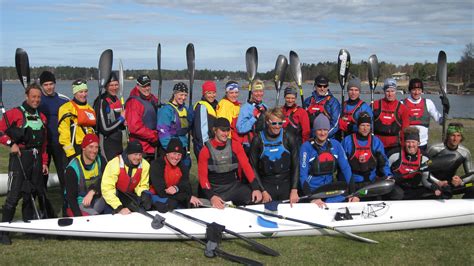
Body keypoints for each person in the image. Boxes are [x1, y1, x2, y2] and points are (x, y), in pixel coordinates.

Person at [0, 84, 50, 245]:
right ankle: (4, 232)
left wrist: (43, 162)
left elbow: (44, 144)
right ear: (27, 96)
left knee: (31, 194)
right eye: (33, 96)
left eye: (38, 97)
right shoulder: (14, 113)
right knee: (14, 195)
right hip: (20, 157)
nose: (36, 100)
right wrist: (10, 143)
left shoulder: (42, 117)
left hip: (35, 159)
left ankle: (30, 229)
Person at [198, 118, 262, 209]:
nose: (226, 134)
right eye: (222, 130)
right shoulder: (205, 150)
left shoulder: (235, 145)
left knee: (255, 198)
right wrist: (212, 196)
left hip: (233, 187)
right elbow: (203, 177)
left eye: (228, 130)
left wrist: (256, 188)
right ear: (214, 130)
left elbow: (247, 167)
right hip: (215, 189)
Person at [299, 114, 352, 208]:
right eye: (319, 130)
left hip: (329, 190)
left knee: (345, 197)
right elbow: (302, 174)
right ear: (315, 131)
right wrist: (312, 197)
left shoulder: (336, 145)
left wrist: (353, 193)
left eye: (325, 130)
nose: (322, 133)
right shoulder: (306, 147)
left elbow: (346, 169)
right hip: (312, 190)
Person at [249, 107, 300, 204]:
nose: (277, 126)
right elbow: (253, 167)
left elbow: (296, 165)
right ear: (268, 122)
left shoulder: (289, 137)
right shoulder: (257, 140)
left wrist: (294, 189)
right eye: (274, 123)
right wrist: (262, 190)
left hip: (285, 183)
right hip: (267, 184)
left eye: (280, 123)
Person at [37, 71, 69, 214]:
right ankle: (44, 210)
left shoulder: (64, 100)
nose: (49, 87)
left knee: (65, 178)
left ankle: (67, 207)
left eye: (51, 84)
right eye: (46, 85)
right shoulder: (37, 100)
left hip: (60, 145)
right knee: (41, 179)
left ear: (55, 84)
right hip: (42, 146)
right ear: (41, 85)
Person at [341, 112, 392, 201]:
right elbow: (341, 165)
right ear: (357, 126)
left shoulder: (376, 142)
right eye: (362, 125)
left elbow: (383, 163)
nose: (365, 129)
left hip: (370, 184)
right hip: (352, 184)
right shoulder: (347, 141)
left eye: (368, 125)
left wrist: (388, 176)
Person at [149, 138, 202, 210]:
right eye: (174, 153)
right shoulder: (157, 165)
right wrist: (186, 197)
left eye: (179, 154)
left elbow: (186, 185)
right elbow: (161, 192)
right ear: (167, 153)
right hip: (157, 196)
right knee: (172, 203)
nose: (176, 157)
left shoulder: (182, 166)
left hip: (174, 196)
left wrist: (176, 188)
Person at [387, 127, 440, 200]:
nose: (411, 145)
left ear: (418, 143)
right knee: (399, 194)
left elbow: (425, 180)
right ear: (404, 143)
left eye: (413, 142)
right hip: (396, 187)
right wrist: (390, 178)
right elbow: (384, 173)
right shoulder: (394, 154)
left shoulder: (425, 158)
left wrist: (434, 187)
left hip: (413, 188)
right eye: (408, 142)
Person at [101, 140, 152, 214]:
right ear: (128, 153)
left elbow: (143, 185)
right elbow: (107, 189)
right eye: (135, 154)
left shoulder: (145, 165)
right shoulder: (114, 164)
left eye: (140, 154)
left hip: (130, 196)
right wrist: (119, 207)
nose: (138, 157)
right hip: (113, 197)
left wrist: (143, 194)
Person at [426, 123, 473, 198]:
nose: (455, 139)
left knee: (472, 185)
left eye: (458, 136)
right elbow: (423, 170)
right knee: (442, 195)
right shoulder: (434, 149)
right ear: (448, 136)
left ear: (461, 137)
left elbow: (471, 173)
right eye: (453, 135)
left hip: (451, 185)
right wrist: (438, 182)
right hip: (434, 184)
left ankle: (464, 208)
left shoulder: (465, 152)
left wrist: (461, 181)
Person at [64, 134, 106, 217]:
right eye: (91, 147)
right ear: (83, 148)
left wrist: (92, 191)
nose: (94, 151)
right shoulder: (72, 168)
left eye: (96, 147)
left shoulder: (100, 160)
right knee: (95, 218)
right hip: (81, 204)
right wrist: (79, 217)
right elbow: (71, 198)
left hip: (97, 198)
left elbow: (107, 181)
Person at [402, 78, 445, 152]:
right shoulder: (402, 103)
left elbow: (440, 120)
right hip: (408, 144)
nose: (416, 92)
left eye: (419, 90)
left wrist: (446, 110)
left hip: (422, 145)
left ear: (422, 90)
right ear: (410, 90)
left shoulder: (428, 103)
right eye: (414, 90)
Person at [58, 79, 96, 161]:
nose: (84, 94)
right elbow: (64, 134)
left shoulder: (90, 109)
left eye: (85, 91)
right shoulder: (66, 108)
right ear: (75, 93)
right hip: (74, 149)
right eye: (81, 92)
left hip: (88, 149)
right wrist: (71, 154)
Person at [157, 82, 193, 167]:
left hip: (182, 147)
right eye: (181, 95)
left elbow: (188, 128)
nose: (183, 98)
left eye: (185, 95)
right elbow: (163, 132)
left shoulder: (185, 109)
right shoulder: (166, 111)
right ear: (174, 94)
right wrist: (171, 150)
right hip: (170, 149)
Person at [125, 75, 159, 161]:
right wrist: (154, 136)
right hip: (141, 149)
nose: (147, 88)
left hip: (152, 147)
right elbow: (134, 127)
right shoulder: (134, 103)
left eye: (148, 85)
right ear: (137, 86)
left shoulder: (151, 98)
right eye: (144, 86)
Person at [93, 72, 126, 161]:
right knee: (108, 172)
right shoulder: (102, 101)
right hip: (106, 145)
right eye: (111, 85)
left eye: (116, 85)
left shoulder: (116, 99)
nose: (114, 88)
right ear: (106, 86)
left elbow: (118, 125)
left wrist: (124, 124)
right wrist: (121, 118)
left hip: (118, 144)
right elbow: (105, 129)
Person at [373, 78, 410, 157]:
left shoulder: (403, 108)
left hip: (394, 146)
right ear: (384, 91)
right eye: (387, 91)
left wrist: (404, 147)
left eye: (392, 91)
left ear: (396, 91)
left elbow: (405, 130)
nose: (390, 94)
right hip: (377, 145)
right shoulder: (375, 105)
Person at [236, 79, 268, 150]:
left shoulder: (265, 107)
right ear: (252, 93)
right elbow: (240, 128)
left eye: (261, 91)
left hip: (264, 144)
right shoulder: (245, 108)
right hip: (250, 146)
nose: (259, 94)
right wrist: (255, 118)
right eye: (256, 91)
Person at [192, 80, 218, 159]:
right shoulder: (202, 106)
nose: (212, 95)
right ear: (204, 94)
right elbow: (201, 129)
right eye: (209, 93)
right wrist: (205, 147)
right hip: (203, 145)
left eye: (214, 92)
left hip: (212, 144)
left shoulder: (215, 105)